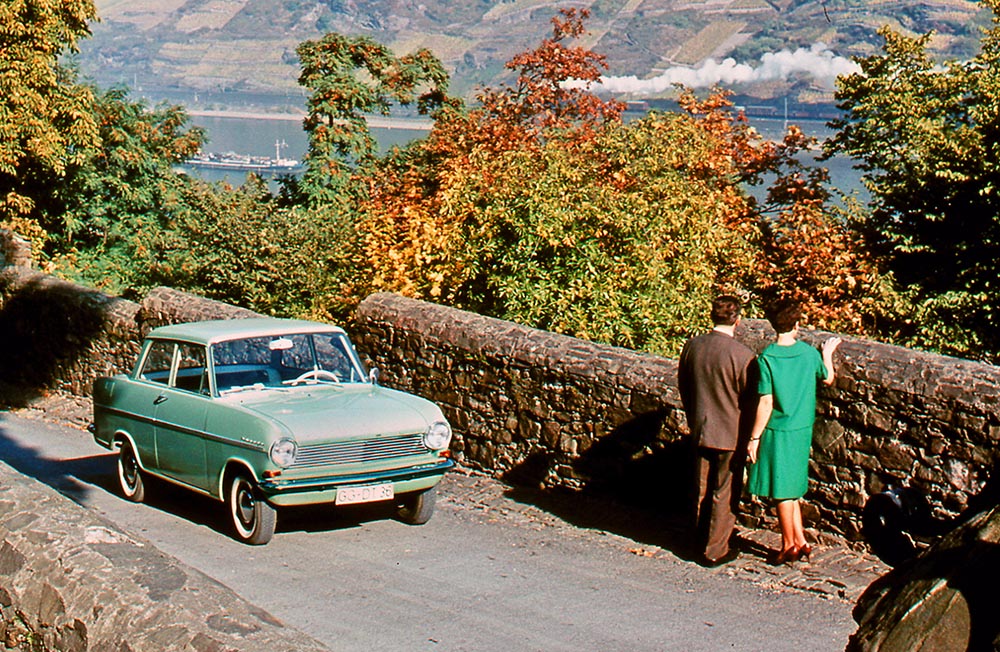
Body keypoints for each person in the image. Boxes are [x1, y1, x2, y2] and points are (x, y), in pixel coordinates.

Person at [746, 297, 841, 565]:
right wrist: (827, 354)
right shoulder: (808, 353)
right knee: (791, 486)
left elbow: (766, 401)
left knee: (781, 490)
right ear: (797, 324)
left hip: (778, 428)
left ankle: (789, 545)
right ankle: (800, 539)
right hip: (802, 427)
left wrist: (754, 438)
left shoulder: (767, 358)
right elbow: (828, 377)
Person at [678, 295, 757, 567]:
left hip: (701, 426)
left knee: (700, 486)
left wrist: (694, 418)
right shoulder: (743, 356)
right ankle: (715, 549)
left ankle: (696, 541)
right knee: (724, 492)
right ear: (737, 319)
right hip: (730, 432)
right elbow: (749, 400)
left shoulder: (693, 346)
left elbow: (685, 387)